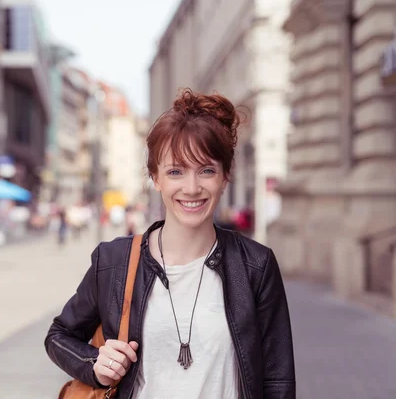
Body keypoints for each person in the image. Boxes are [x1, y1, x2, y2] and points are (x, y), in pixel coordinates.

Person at [45, 89, 295, 398]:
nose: (191, 188)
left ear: (225, 175)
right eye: (176, 171)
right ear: (156, 178)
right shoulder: (114, 261)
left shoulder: (255, 266)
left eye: (206, 170)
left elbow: (278, 380)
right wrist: (94, 364)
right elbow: (58, 336)